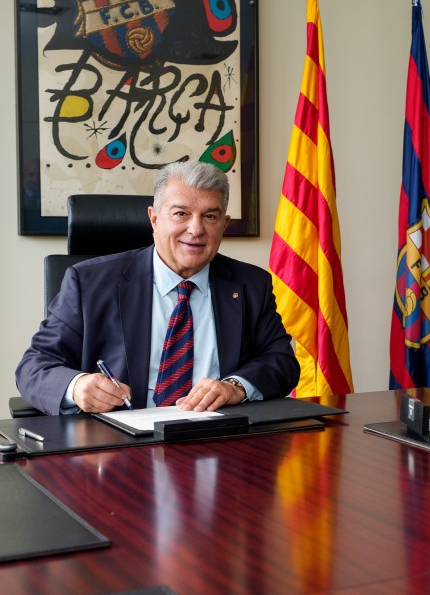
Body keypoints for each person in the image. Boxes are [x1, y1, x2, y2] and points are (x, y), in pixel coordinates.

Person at [17, 161, 300, 415]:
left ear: (224, 224)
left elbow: (281, 362)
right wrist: (77, 387)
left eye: (210, 217)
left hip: (218, 441)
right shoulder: (89, 282)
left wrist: (236, 386)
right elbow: (34, 367)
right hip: (118, 447)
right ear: (154, 218)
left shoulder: (250, 284)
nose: (196, 229)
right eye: (181, 213)